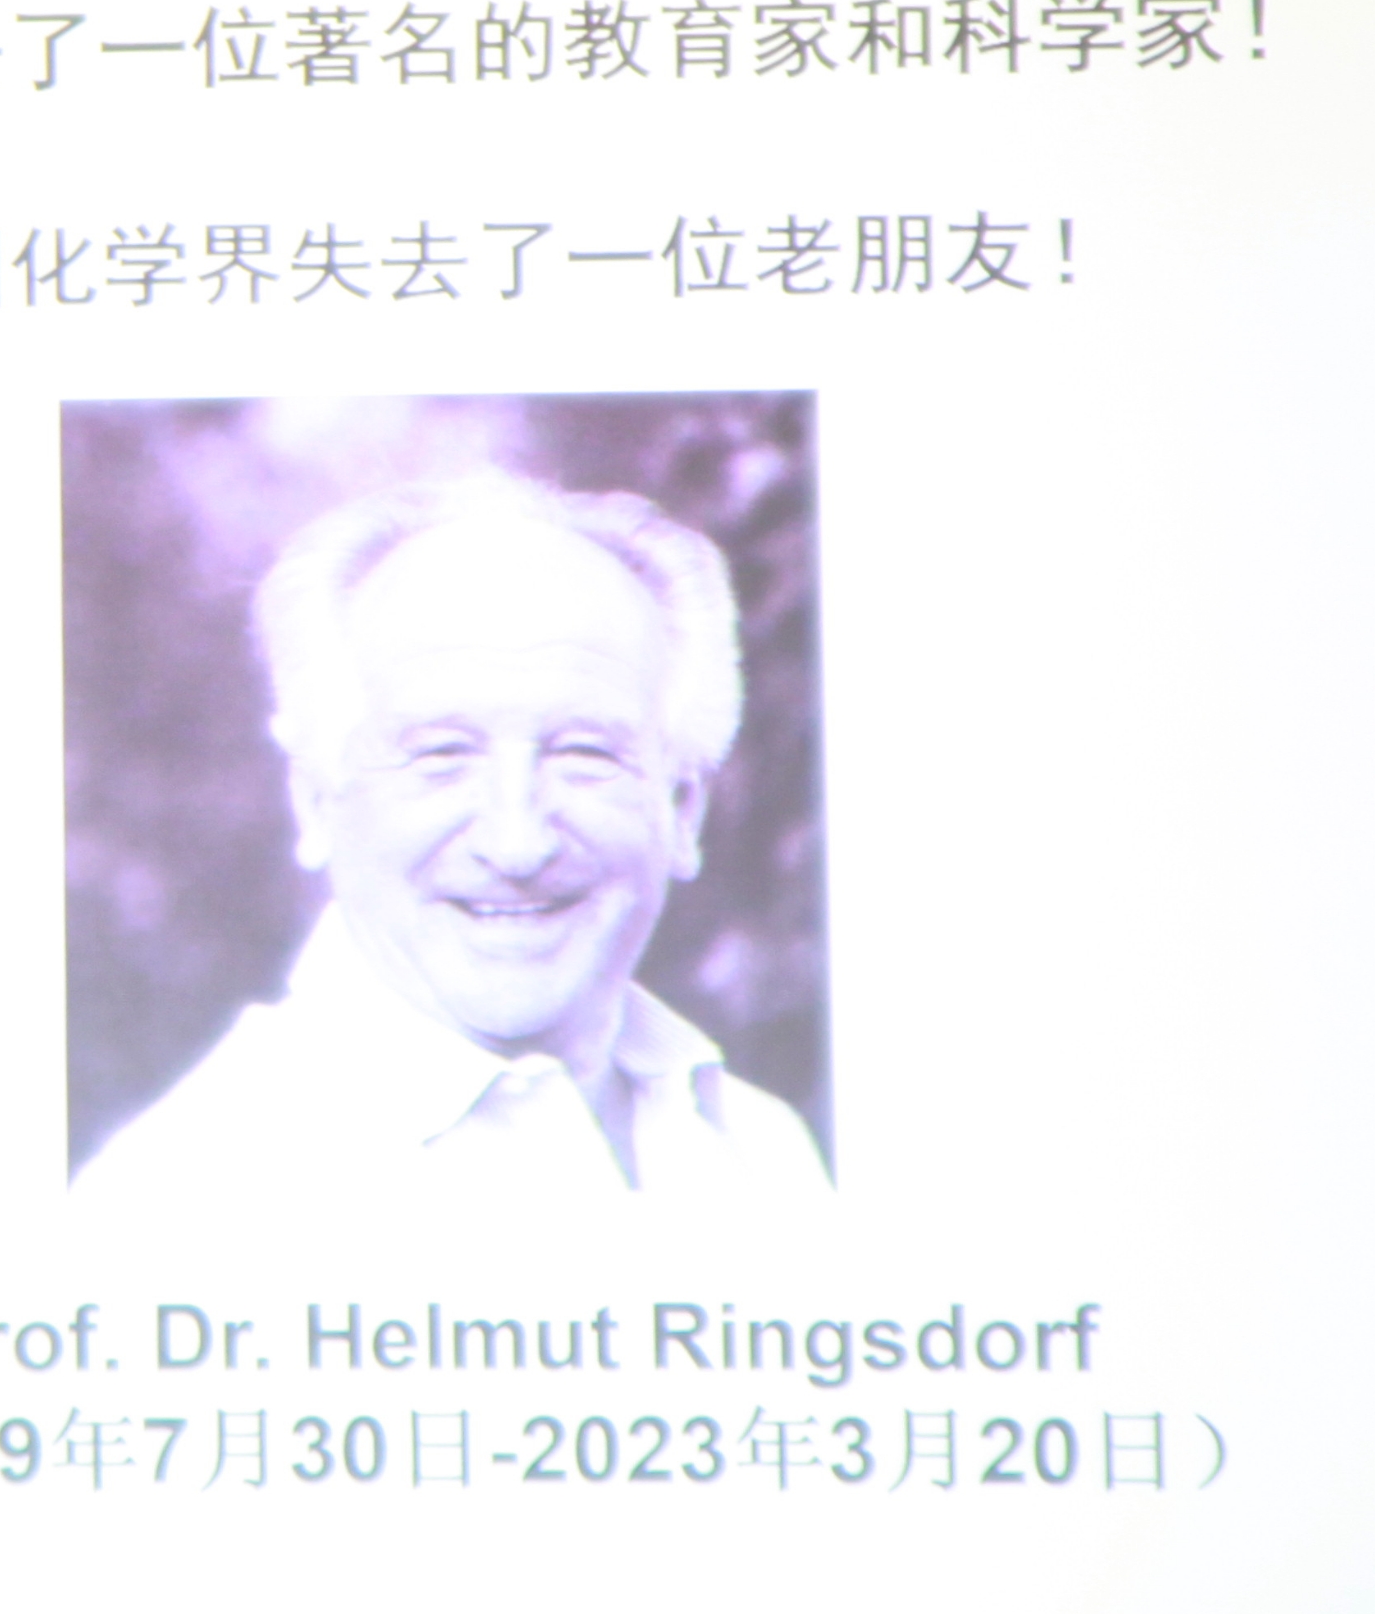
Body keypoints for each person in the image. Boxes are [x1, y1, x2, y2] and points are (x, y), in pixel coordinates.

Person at [73, 468, 832, 1210]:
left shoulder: (767, 1152)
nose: (517, 844)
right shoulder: (179, 1196)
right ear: (314, 805)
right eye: (441, 756)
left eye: (584, 754)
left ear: (683, 811)